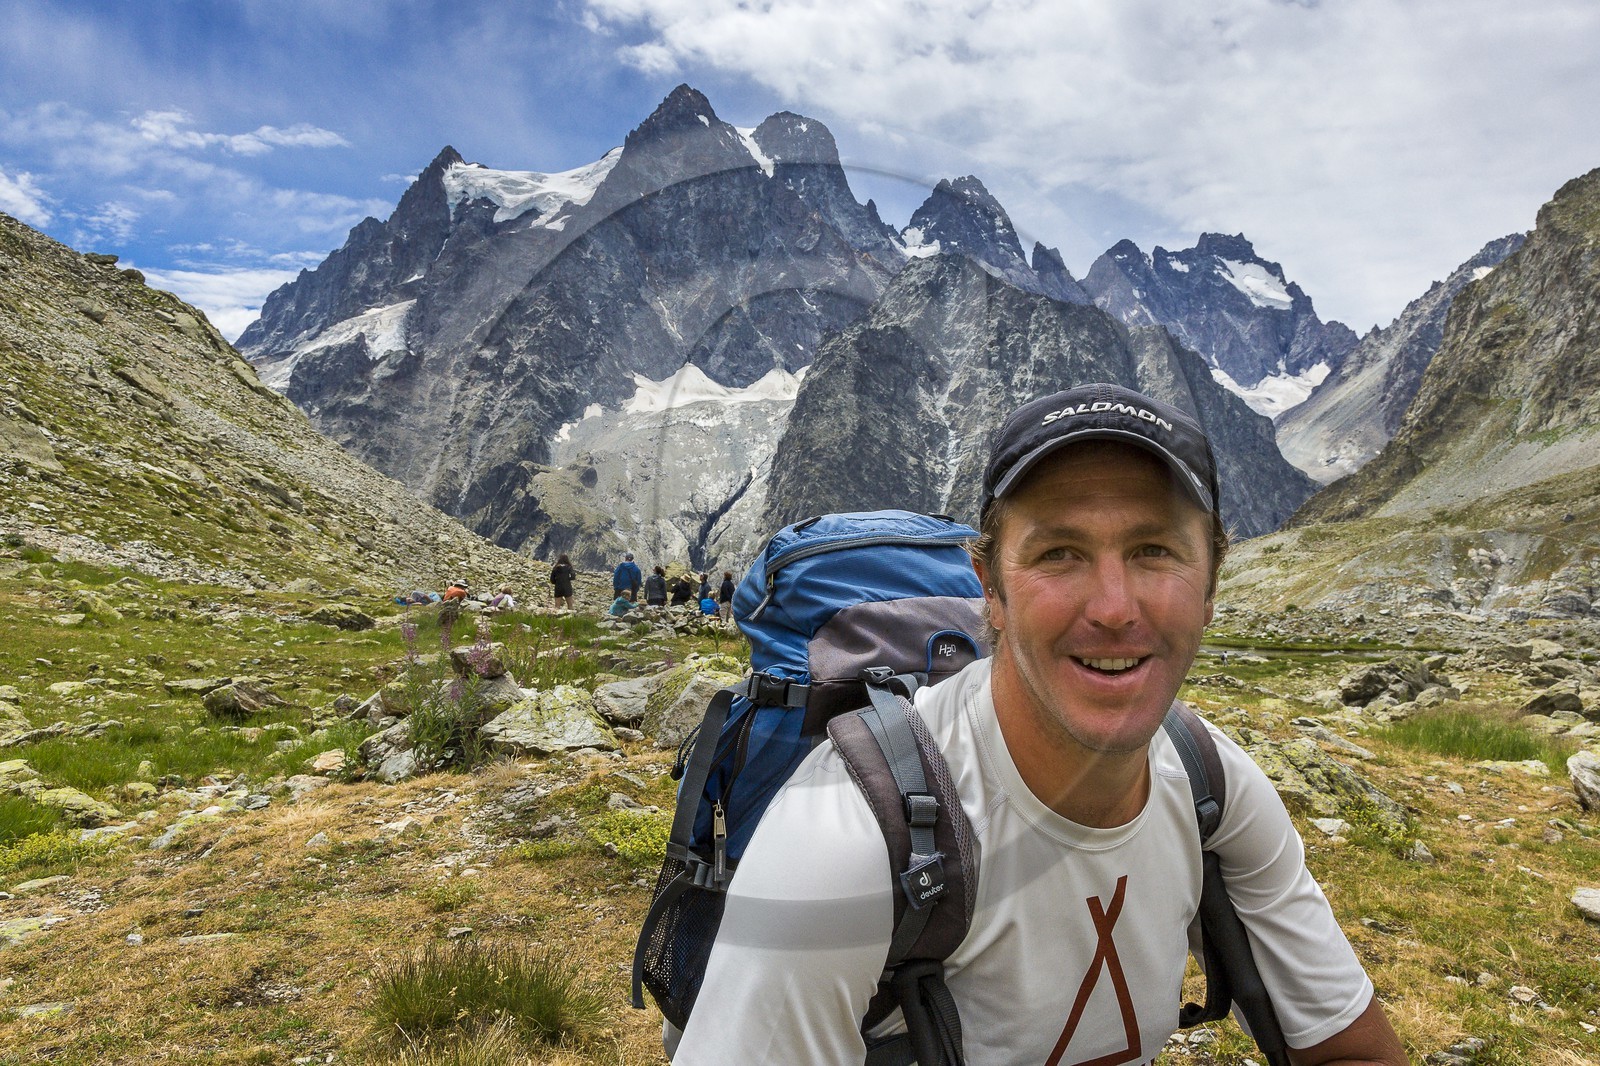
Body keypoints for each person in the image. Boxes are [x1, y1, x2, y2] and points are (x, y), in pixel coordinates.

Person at [671, 383, 1405, 1065]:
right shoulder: (844, 835)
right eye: (1060, 553)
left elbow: (1353, 1050)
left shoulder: (1211, 782)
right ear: (990, 590)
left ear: (1212, 581)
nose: (1115, 608)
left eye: (1155, 551)